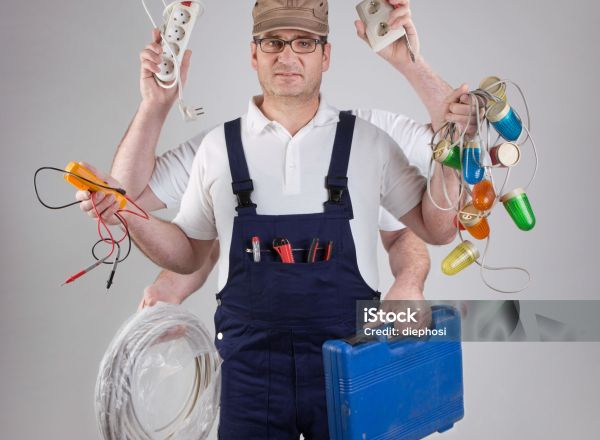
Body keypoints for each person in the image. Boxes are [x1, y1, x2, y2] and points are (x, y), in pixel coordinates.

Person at [78, 1, 473, 437]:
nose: (288, 56)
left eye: (304, 43)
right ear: (254, 54)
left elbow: (437, 224)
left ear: (326, 55)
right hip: (250, 373)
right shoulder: (217, 148)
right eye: (273, 42)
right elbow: (188, 251)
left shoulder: (369, 140)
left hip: (349, 362)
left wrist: (449, 142)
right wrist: (127, 212)